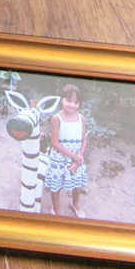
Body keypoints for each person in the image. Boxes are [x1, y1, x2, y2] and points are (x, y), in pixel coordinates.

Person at [45, 84, 88, 217]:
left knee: (77, 184)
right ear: (61, 100)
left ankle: (75, 204)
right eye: (69, 100)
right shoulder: (56, 118)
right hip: (60, 158)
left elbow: (84, 139)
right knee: (56, 184)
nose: (72, 105)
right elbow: (54, 143)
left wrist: (79, 157)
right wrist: (73, 156)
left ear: (80, 104)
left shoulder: (81, 119)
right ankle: (56, 208)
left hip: (77, 158)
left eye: (76, 102)